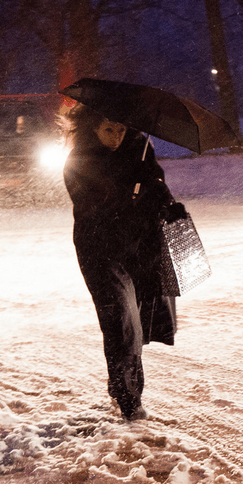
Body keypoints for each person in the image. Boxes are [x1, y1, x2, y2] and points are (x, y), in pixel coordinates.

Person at [62, 104, 177, 421]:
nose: (115, 137)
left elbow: (157, 186)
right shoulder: (78, 162)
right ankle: (130, 400)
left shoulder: (140, 154)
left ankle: (120, 384)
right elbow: (90, 206)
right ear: (93, 129)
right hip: (98, 250)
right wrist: (126, 195)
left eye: (121, 130)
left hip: (137, 248)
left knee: (136, 322)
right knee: (120, 321)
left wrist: (163, 200)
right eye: (108, 130)